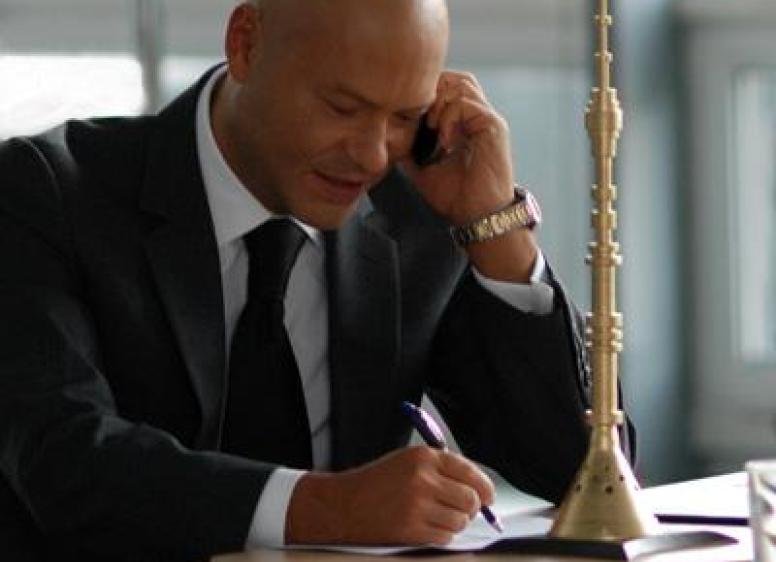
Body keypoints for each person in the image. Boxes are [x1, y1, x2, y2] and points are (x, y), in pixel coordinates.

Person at [0, 0, 615, 560]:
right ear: (246, 44)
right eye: (342, 107)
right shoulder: (47, 193)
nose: (372, 155)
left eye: (404, 117)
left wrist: (496, 229)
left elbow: (584, 475)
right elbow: (63, 461)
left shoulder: (417, 205)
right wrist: (331, 508)